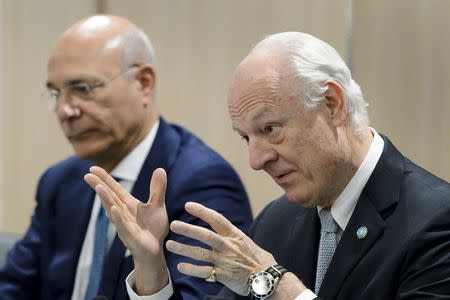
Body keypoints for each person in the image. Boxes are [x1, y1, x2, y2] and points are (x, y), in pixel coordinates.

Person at [87, 31, 450, 299]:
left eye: (270, 129)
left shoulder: (436, 220)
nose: (256, 160)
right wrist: (151, 270)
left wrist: (273, 282)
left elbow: (268, 280)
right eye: (247, 138)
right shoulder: (278, 220)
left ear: (332, 104)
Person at [0, 15, 253, 300]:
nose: (65, 111)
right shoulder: (60, 182)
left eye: (83, 89)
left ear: (143, 83)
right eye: (56, 93)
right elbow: (13, 286)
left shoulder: (201, 181)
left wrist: (149, 271)